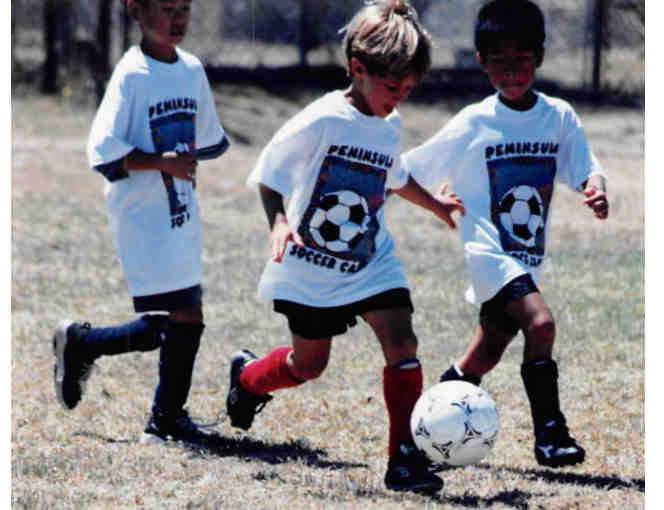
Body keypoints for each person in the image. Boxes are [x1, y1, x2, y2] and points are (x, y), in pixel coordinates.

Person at [226, 0, 465, 493]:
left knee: (403, 342)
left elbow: (394, 176)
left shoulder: (389, 125)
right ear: (358, 68)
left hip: (370, 260)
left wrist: (436, 206)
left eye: (408, 89)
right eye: (392, 86)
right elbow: (268, 178)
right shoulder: (321, 121)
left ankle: (403, 459)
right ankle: (247, 378)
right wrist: (278, 224)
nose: (399, 98)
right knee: (308, 366)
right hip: (311, 267)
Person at [402, 0, 609, 468]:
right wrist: (435, 204)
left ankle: (426, 433)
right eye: (499, 61)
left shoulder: (558, 117)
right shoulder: (475, 122)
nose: (511, 71)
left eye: (521, 59)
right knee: (541, 324)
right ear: (481, 62)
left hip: (527, 256)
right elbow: (406, 169)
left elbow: (585, 169)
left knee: (483, 355)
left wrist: (595, 190)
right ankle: (550, 434)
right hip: (489, 252)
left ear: (538, 56)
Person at [52, 0, 230, 446]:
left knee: (176, 319)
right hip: (140, 215)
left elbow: (205, 140)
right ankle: (165, 418)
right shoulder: (132, 74)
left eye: (184, 8)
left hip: (180, 211)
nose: (178, 19)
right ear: (135, 10)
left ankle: (84, 345)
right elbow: (103, 152)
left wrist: (182, 163)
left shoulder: (191, 70)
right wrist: (160, 163)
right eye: (167, 8)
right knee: (181, 317)